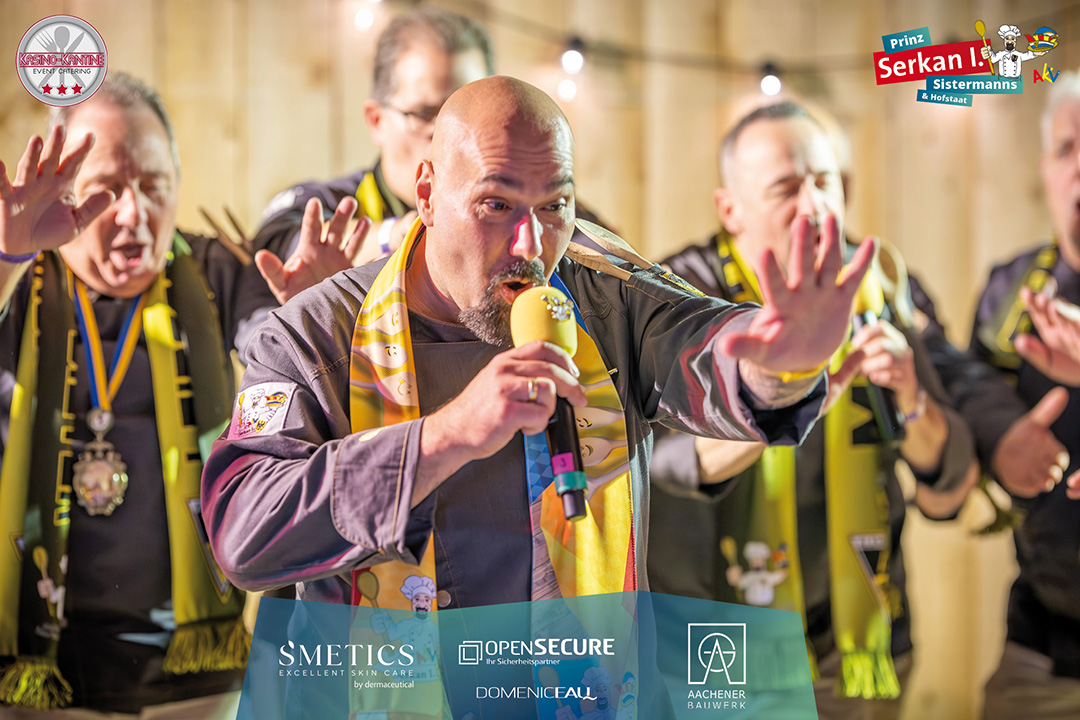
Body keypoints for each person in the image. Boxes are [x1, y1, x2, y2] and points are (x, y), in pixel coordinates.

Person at [202, 71, 876, 661]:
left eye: (554, 205)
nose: (531, 243)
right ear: (427, 194)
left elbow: (708, 347)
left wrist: (780, 362)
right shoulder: (315, 333)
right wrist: (446, 435)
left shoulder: (605, 300)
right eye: (496, 205)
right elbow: (243, 530)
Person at [646, 101, 976, 719]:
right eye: (785, 188)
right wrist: (781, 393)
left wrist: (910, 395)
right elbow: (666, 465)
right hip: (720, 647)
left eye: (825, 181)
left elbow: (948, 484)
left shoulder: (880, 285)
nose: (814, 204)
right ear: (730, 209)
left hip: (862, 645)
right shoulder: (679, 296)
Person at [0, 73, 248, 716]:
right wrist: (5, 259)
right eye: (107, 189)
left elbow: (285, 344)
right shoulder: (17, 278)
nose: (134, 213)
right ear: (63, 189)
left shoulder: (216, 272)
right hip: (34, 670)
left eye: (155, 185)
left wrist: (316, 304)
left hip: (193, 671)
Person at [960, 71, 1080, 720]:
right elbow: (970, 386)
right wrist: (1002, 435)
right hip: (1044, 636)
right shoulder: (1014, 290)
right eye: (1066, 149)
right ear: (1046, 171)